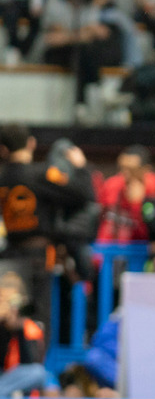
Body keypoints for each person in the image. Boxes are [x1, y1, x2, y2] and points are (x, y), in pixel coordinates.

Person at [0, 124, 94, 323]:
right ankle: (32, 353)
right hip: (38, 257)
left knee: (11, 317)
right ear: (31, 144)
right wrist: (81, 168)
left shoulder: (2, 177)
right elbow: (84, 194)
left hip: (9, 256)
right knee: (36, 320)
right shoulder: (41, 174)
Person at [0, 270, 47, 399]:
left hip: (12, 379)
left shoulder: (29, 328)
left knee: (38, 373)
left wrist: (18, 328)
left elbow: (30, 364)